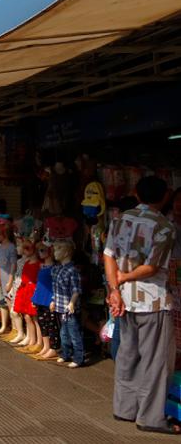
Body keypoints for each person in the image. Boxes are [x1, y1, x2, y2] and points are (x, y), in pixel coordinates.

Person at [105, 176, 179, 435]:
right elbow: (153, 266)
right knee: (156, 360)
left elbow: (108, 255)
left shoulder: (119, 219)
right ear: (165, 196)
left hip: (125, 299)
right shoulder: (165, 227)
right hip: (153, 300)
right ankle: (151, 417)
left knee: (128, 353)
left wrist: (115, 288)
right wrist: (125, 277)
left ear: (136, 193)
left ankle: (124, 409)